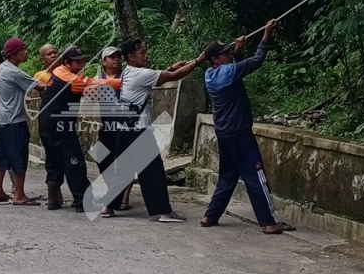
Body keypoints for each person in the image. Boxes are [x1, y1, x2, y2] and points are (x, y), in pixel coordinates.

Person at [200, 21, 295, 234]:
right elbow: (256, 61)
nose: (228, 55)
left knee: (227, 176)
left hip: (224, 133)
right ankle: (269, 222)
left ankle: (210, 215)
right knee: (256, 174)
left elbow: (238, 71)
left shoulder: (210, 75)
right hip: (240, 133)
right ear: (215, 59)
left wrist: (238, 52)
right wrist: (266, 34)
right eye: (225, 53)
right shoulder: (227, 71)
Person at [117, 37, 206, 222]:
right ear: (131, 56)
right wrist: (199, 60)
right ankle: (164, 212)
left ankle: (108, 207)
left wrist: (172, 67)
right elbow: (173, 76)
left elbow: (161, 75)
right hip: (139, 128)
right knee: (153, 171)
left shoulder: (127, 73)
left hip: (124, 128)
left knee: (123, 169)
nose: (146, 55)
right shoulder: (140, 74)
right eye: (142, 52)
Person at [36, 45, 91, 211]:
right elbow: (94, 85)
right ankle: (83, 201)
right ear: (67, 62)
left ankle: (54, 199)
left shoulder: (58, 73)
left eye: (82, 61)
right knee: (74, 162)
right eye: (78, 62)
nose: (82, 64)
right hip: (59, 126)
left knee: (54, 161)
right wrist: (121, 83)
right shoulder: (67, 77)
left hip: (47, 124)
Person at [81, 47, 134, 217]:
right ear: (104, 62)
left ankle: (124, 198)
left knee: (126, 162)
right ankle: (114, 190)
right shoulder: (99, 79)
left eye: (118, 56)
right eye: (111, 57)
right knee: (101, 155)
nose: (116, 59)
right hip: (107, 124)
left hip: (125, 124)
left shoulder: (127, 76)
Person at [0, 38, 41, 205]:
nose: (26, 52)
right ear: (13, 54)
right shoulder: (15, 72)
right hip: (14, 121)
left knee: (2, 157)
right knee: (19, 157)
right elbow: (40, 87)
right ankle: (19, 195)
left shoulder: (3, 68)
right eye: (22, 50)